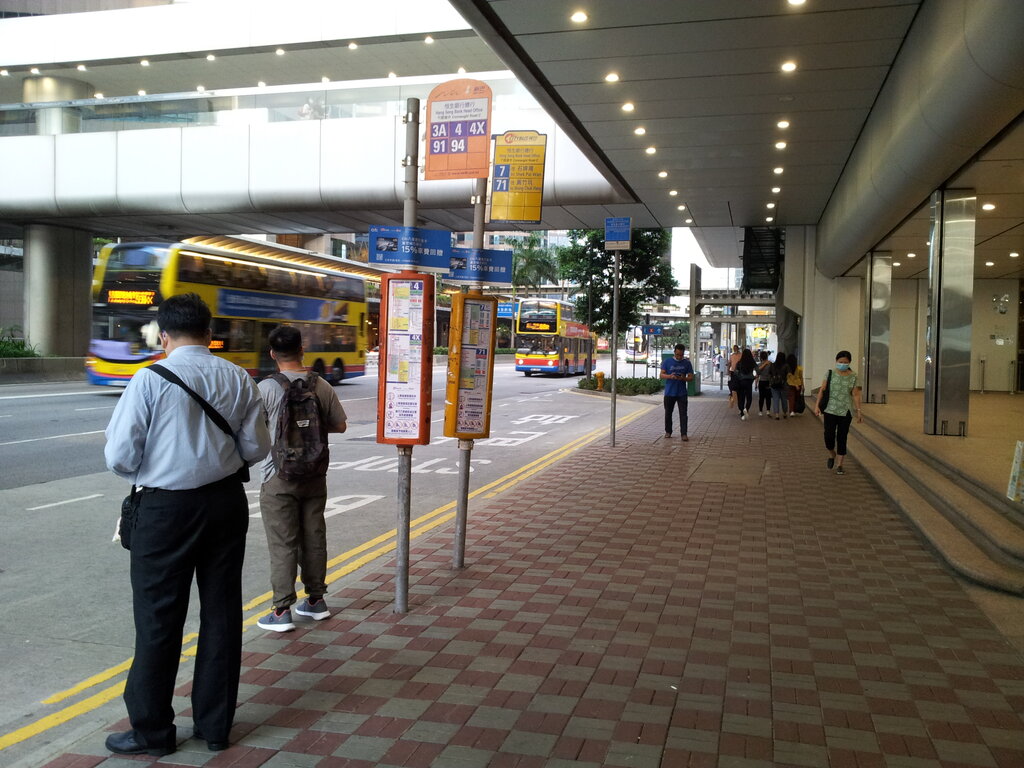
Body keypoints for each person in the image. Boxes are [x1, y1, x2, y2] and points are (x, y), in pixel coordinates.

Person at [103, 293, 271, 757]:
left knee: (158, 618)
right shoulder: (239, 377)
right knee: (221, 612)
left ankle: (153, 732)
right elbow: (257, 448)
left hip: (164, 511)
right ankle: (215, 726)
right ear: (208, 332)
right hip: (224, 505)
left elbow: (119, 456)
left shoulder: (149, 378)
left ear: (163, 335)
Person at [256, 325, 348, 632]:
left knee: (283, 542)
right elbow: (341, 425)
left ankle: (281, 611)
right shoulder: (320, 385)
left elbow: (253, 433)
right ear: (302, 350)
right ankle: (315, 601)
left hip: (278, 476)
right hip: (313, 475)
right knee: (313, 535)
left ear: (272, 354)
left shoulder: (266, 388)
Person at [814, 350, 863, 475]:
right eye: (840, 362)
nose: (842, 364)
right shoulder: (830, 373)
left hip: (845, 411)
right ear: (836, 361)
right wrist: (817, 406)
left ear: (849, 363)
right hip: (830, 409)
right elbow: (822, 390)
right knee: (828, 436)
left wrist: (858, 411)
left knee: (842, 437)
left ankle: (840, 464)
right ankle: (832, 454)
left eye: (845, 362)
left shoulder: (853, 376)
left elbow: (855, 394)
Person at [661, 343, 694, 441]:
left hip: (682, 393)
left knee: (683, 414)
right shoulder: (667, 362)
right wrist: (670, 376)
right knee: (668, 413)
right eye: (677, 354)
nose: (679, 357)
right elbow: (662, 375)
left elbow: (691, 377)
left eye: (681, 355)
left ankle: (684, 434)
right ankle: (668, 431)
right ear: (674, 352)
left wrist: (683, 378)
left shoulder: (687, 363)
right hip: (669, 392)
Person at [734, 348, 757, 420]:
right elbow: (758, 370)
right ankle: (746, 409)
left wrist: (739, 377)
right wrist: (754, 376)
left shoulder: (739, 362)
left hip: (741, 381)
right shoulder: (752, 362)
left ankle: (742, 413)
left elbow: (735, 372)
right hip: (749, 382)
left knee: (741, 397)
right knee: (749, 397)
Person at [769, 351, 790, 420]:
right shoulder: (786, 365)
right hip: (783, 384)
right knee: (784, 399)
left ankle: (777, 415)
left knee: (775, 399)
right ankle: (784, 413)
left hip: (774, 384)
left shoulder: (772, 365)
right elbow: (789, 375)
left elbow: (770, 374)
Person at [756, 350, 772, 416]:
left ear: (761, 357)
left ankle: (760, 411)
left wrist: (756, 384)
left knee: (761, 397)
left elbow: (758, 372)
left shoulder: (759, 364)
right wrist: (765, 364)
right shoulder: (770, 364)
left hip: (762, 382)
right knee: (768, 397)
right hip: (768, 382)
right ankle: (768, 410)